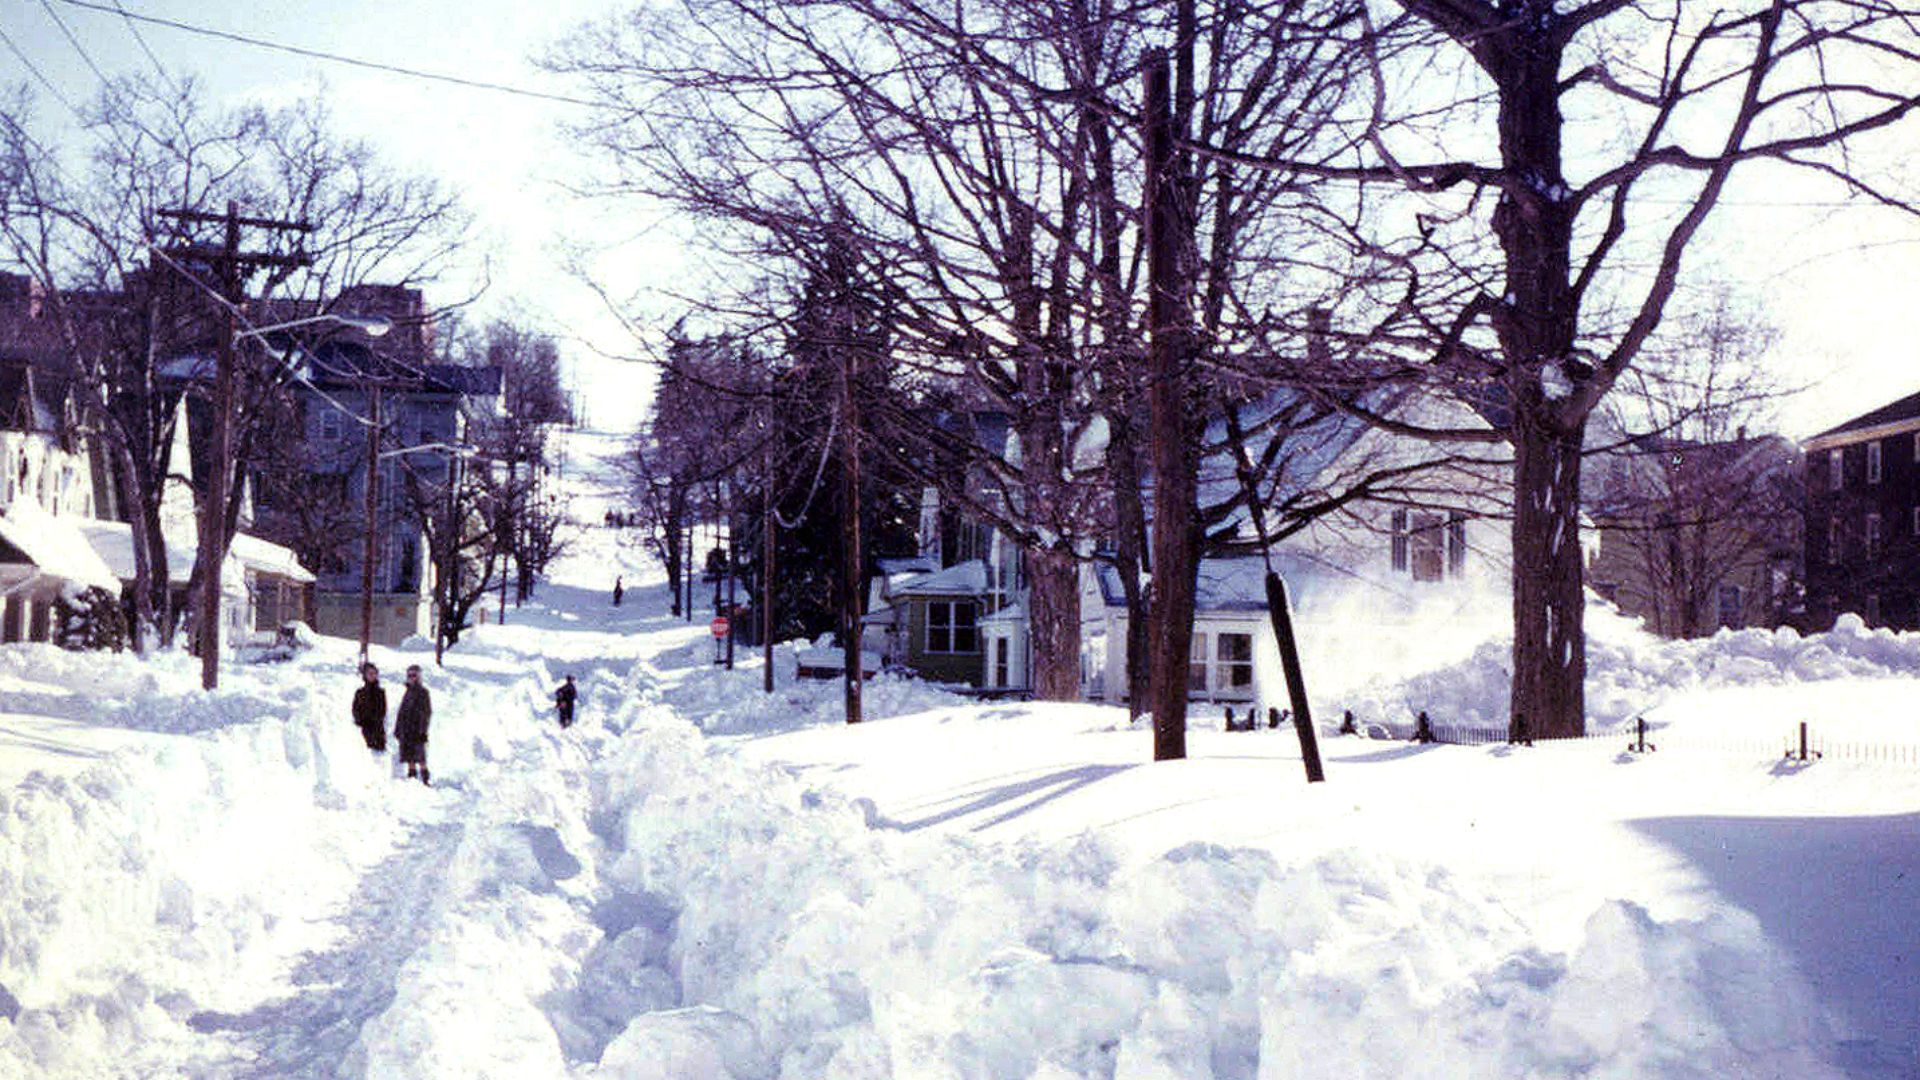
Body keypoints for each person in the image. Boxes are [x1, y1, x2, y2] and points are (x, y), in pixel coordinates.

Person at [395, 664, 433, 785]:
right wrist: (398, 728)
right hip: (406, 730)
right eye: (410, 675)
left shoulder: (423, 692)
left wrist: (423, 730)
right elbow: (402, 711)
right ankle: (412, 780)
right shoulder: (408, 692)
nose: (412, 678)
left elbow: (426, 712)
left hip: (417, 729)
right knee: (409, 757)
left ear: (419, 676)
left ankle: (425, 779)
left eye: (414, 675)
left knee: (420, 757)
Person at [351, 663, 387, 752]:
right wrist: (360, 722)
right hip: (363, 731)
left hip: (377, 731)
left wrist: (374, 721)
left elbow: (382, 710)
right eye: (370, 673)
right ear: (365, 675)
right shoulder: (360, 692)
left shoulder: (380, 692)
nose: (372, 676)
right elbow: (355, 709)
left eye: (374, 673)